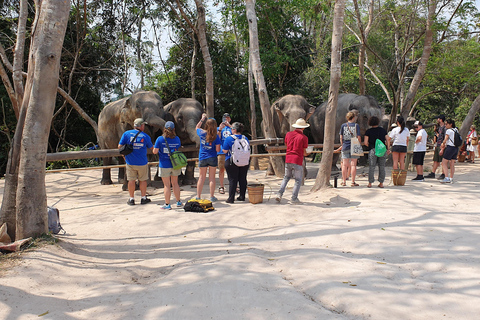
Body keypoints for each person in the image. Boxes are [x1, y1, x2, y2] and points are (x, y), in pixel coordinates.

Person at [275, 118, 311, 204]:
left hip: (288, 159)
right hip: (297, 160)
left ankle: (279, 194)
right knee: (298, 180)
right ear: (303, 128)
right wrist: (307, 154)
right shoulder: (304, 137)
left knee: (286, 177)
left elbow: (286, 144)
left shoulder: (288, 134)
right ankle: (294, 198)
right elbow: (304, 151)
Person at [118, 118, 153, 206]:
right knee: (143, 180)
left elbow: (120, 146)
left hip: (130, 162)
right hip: (142, 162)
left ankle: (131, 199)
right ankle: (143, 198)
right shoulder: (145, 136)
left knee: (131, 181)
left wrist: (124, 156)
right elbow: (152, 148)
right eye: (143, 125)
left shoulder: (126, 134)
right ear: (141, 126)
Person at [152, 121, 182, 210]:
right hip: (175, 164)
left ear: (164, 129)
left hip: (164, 164)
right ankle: (178, 201)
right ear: (174, 129)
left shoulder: (160, 139)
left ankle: (168, 204)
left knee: (166, 185)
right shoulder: (177, 139)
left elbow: (155, 151)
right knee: (175, 183)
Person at [196, 113, 221, 201]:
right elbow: (218, 150)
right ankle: (212, 196)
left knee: (201, 177)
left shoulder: (202, 133)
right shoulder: (216, 136)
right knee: (212, 178)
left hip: (202, 157)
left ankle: (198, 196)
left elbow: (197, 127)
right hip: (212, 157)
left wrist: (202, 118)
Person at [222, 122, 249, 204]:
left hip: (232, 161)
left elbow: (225, 150)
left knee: (232, 179)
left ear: (234, 130)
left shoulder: (229, 139)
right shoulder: (245, 138)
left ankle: (231, 198)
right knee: (243, 178)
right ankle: (242, 196)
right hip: (244, 161)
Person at [363, 116, 388, 188]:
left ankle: (370, 183)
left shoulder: (368, 131)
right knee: (382, 166)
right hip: (382, 150)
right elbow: (388, 139)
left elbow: (365, 142)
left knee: (372, 166)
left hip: (373, 149)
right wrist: (388, 148)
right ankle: (381, 183)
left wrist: (369, 145)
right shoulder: (383, 130)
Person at [339, 111, 361, 187]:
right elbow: (358, 137)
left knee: (344, 165)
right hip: (354, 146)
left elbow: (341, 137)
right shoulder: (356, 125)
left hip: (345, 146)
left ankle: (344, 181)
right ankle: (352, 182)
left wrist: (342, 144)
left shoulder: (343, 125)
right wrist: (359, 144)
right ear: (354, 117)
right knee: (353, 165)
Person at [425, 115, 446, 179]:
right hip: (438, 145)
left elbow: (445, 138)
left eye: (438, 119)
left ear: (441, 120)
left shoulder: (445, 128)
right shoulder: (439, 127)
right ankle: (433, 173)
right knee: (436, 160)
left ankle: (444, 173)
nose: (437, 120)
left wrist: (443, 147)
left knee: (443, 161)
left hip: (442, 146)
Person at [439, 119, 459, 184]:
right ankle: (451, 178)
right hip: (455, 148)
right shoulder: (456, 130)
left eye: (446, 124)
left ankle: (446, 177)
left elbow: (446, 139)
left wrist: (443, 144)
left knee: (444, 162)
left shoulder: (448, 131)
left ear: (450, 124)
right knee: (452, 164)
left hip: (450, 147)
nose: (445, 125)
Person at [217, 113, 232, 195]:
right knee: (221, 169)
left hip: (231, 152)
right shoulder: (219, 128)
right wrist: (219, 129)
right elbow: (217, 138)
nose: (226, 120)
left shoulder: (232, 128)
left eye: (227, 118)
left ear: (229, 119)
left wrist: (229, 126)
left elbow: (236, 134)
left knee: (233, 170)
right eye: (224, 118)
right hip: (222, 152)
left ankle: (234, 185)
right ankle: (221, 186)